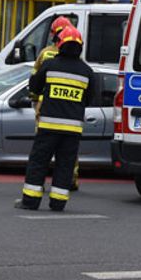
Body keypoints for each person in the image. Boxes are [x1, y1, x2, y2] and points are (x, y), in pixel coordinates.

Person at [17, 26, 97, 212]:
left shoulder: (50, 65)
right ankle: (58, 203)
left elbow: (34, 87)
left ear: (60, 44)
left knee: (38, 162)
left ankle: (30, 202)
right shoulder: (87, 71)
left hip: (48, 125)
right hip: (73, 129)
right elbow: (90, 99)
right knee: (65, 165)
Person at [33, 15, 81, 191]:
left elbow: (34, 79)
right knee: (68, 152)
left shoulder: (45, 54)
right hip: (69, 109)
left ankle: (38, 182)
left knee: (42, 149)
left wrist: (34, 99)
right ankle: (71, 179)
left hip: (45, 108)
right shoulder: (78, 60)